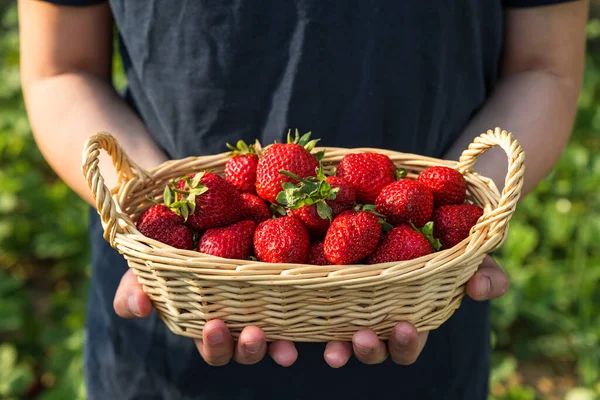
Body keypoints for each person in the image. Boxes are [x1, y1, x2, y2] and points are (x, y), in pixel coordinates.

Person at [18, 0, 587, 399]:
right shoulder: (181, 228)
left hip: (416, 304)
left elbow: (545, 68)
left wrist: (465, 222)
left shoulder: (417, 240)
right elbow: (60, 68)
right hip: (174, 322)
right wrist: (149, 212)